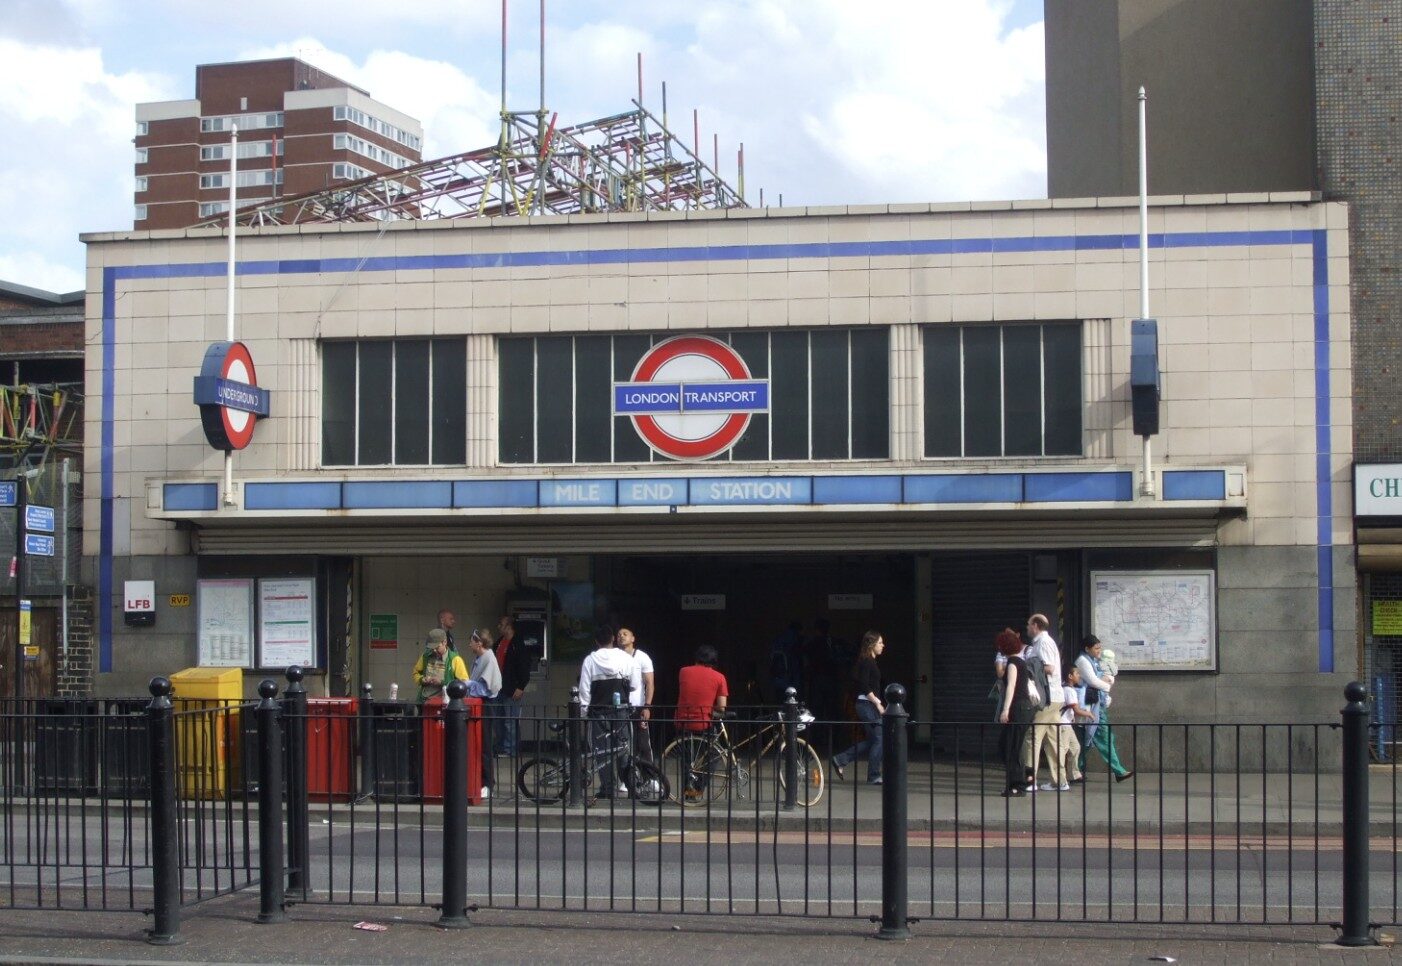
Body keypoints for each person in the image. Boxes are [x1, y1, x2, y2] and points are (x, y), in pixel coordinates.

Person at [577, 625, 641, 800]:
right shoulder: (626, 658)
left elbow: (584, 690)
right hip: (621, 711)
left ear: (596, 641)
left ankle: (607, 788)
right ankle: (631, 785)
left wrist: (583, 713)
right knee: (623, 749)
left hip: (598, 711)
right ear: (613, 638)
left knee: (601, 750)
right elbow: (635, 684)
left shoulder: (590, 660)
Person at [830, 631, 887, 786]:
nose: (883, 645)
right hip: (867, 705)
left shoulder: (870, 661)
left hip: (868, 705)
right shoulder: (866, 661)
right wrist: (878, 704)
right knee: (880, 739)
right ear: (872, 644)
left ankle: (840, 760)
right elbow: (864, 684)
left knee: (872, 740)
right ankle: (874, 775)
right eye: (880, 642)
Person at [674, 644, 730, 800]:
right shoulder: (719, 677)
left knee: (687, 758)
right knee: (715, 754)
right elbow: (722, 706)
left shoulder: (683, 672)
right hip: (704, 722)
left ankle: (688, 791)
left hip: (682, 720)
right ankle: (698, 786)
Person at [1075, 635, 1133, 783]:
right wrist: (1107, 684)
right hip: (1092, 708)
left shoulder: (1093, 661)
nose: (1099, 651)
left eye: (1100, 647)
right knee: (1103, 737)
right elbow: (1093, 681)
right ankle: (1119, 771)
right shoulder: (1083, 661)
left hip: (1096, 705)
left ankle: (1075, 769)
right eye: (1096, 648)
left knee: (1088, 740)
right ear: (1087, 649)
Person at [1022, 613, 1067, 790]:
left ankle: (1030, 780)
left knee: (1032, 737)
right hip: (1055, 697)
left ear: (1036, 625)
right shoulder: (1042, 643)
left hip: (1047, 698)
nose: (1027, 627)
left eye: (1028, 624)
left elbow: (1049, 668)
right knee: (1052, 740)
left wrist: (1028, 668)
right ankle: (1060, 781)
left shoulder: (1044, 643)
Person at [995, 627, 1040, 797]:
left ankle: (1017, 785)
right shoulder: (1020, 661)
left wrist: (1005, 710)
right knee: (1010, 745)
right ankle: (1025, 776)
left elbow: (1012, 687)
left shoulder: (1013, 663)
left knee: (1010, 747)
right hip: (1024, 708)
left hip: (1018, 707)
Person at [466, 628, 502, 797]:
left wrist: (467, 684)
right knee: (479, 745)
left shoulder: (488, 658)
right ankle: (481, 781)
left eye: (472, 641)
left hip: (486, 705)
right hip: (479, 705)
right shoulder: (481, 658)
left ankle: (488, 783)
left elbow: (485, 688)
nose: (469, 644)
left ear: (479, 643)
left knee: (485, 744)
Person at [494, 615, 531, 759]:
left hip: (511, 688)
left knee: (510, 720)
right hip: (498, 688)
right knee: (499, 720)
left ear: (508, 626)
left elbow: (524, 666)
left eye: (501, 624)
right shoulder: (499, 643)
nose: (499, 627)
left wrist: (521, 686)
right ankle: (502, 747)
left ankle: (510, 749)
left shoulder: (517, 644)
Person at [617, 626, 656, 764]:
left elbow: (650, 683)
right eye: (619, 634)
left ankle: (649, 777)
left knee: (643, 743)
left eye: (625, 634)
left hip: (638, 706)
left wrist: (647, 706)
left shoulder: (642, 657)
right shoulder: (614, 657)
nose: (621, 636)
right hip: (619, 707)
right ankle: (626, 779)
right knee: (623, 744)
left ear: (633, 638)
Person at [412, 628, 468, 704]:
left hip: (445, 703)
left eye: (437, 647)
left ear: (444, 642)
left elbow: (464, 683)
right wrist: (422, 679)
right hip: (425, 701)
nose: (434, 650)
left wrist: (442, 682)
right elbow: (416, 672)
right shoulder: (425, 656)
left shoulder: (455, 659)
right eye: (432, 648)